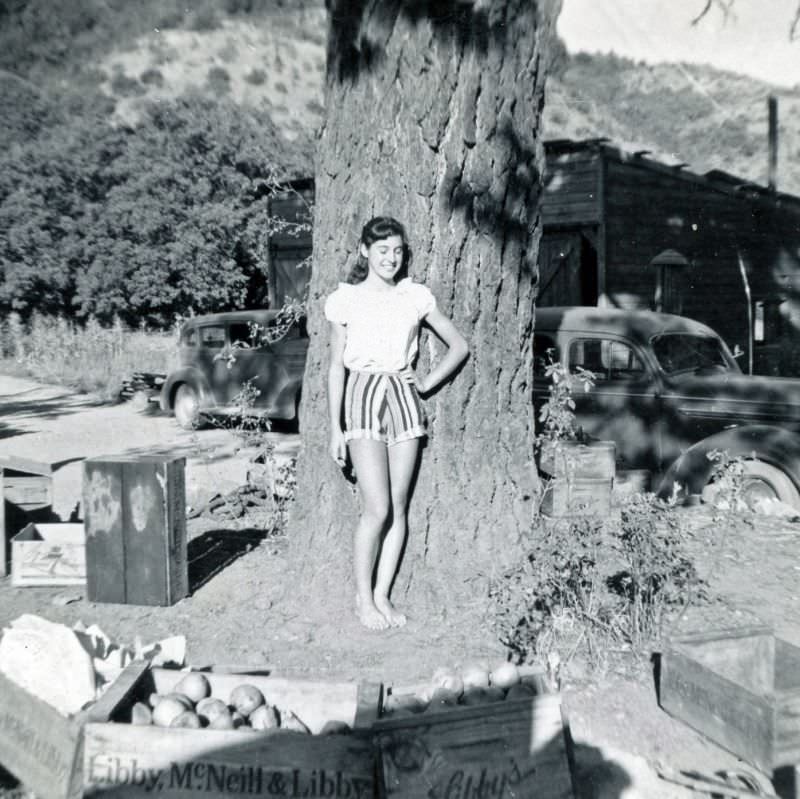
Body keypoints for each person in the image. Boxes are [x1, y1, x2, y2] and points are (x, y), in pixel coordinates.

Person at [324, 216, 469, 630]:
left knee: (399, 506)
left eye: (398, 251)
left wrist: (425, 382)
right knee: (377, 507)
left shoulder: (414, 296)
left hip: (403, 399)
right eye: (382, 250)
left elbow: (459, 345)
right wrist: (335, 429)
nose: (390, 258)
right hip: (362, 397)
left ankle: (382, 595)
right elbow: (336, 367)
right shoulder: (346, 299)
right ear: (365, 251)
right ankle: (363, 598)